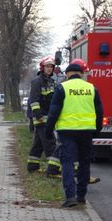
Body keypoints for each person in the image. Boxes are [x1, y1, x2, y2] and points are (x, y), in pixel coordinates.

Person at [45, 59, 103, 207]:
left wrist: (48, 130)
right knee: (84, 163)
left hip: (67, 131)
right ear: (81, 74)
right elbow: (99, 112)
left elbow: (54, 112)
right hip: (87, 131)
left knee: (67, 162)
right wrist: (97, 130)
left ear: (68, 73)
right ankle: (81, 196)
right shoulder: (91, 88)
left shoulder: (62, 88)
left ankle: (70, 197)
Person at [27, 56, 61, 176]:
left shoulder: (51, 81)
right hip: (41, 117)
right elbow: (34, 99)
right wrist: (37, 114)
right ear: (42, 67)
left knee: (38, 143)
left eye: (51, 67)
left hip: (48, 116)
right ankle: (54, 169)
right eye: (47, 66)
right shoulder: (37, 81)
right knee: (49, 142)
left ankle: (32, 166)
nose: (49, 69)